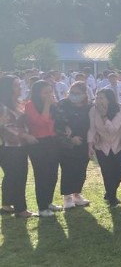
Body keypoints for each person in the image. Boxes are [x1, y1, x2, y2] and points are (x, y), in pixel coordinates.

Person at [24, 80, 64, 216]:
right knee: (42, 175)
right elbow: (42, 122)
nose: (49, 95)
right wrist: (47, 104)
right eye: (45, 93)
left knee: (53, 174)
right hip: (38, 143)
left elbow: (58, 120)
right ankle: (42, 207)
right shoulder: (30, 105)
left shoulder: (53, 105)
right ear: (37, 93)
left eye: (50, 92)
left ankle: (48, 202)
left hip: (53, 141)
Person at [0, 76, 36, 217]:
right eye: (16, 86)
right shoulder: (2, 107)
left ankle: (7, 204)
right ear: (8, 89)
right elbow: (7, 127)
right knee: (18, 176)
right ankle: (21, 209)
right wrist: (26, 136)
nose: (20, 88)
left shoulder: (18, 103)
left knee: (11, 176)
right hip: (9, 147)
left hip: (19, 146)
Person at [55, 81, 93, 209]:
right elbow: (57, 124)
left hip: (83, 143)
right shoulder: (62, 105)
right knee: (68, 169)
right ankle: (67, 197)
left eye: (77, 93)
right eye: (72, 92)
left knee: (81, 169)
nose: (74, 95)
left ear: (84, 94)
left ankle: (77, 194)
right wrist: (70, 138)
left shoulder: (88, 107)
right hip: (67, 144)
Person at [87, 89, 121, 207]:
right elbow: (92, 129)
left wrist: (104, 116)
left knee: (119, 171)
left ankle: (110, 192)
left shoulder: (119, 109)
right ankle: (112, 199)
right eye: (97, 98)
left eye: (101, 98)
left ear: (109, 99)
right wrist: (90, 145)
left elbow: (113, 129)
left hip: (118, 145)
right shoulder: (93, 110)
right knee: (107, 173)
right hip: (102, 147)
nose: (98, 100)